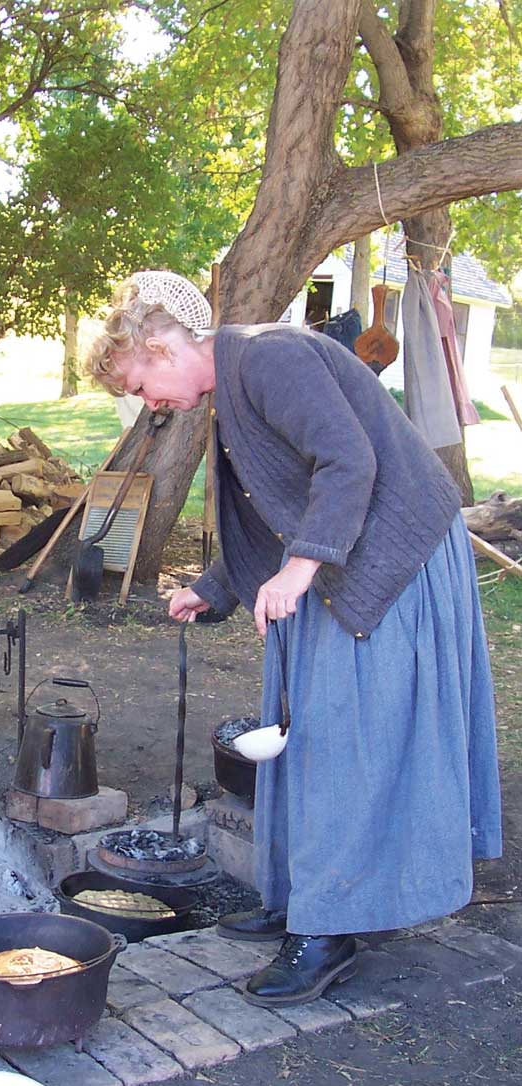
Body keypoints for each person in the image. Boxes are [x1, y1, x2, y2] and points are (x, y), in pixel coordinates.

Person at [84, 270, 502, 1007]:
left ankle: (328, 935)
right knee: (307, 735)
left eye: (141, 386)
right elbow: (279, 497)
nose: (147, 405)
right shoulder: (233, 381)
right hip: (345, 555)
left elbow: (349, 463)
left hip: (391, 558)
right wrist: (213, 587)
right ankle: (305, 901)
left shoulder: (270, 356)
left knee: (346, 738)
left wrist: (301, 567)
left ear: (160, 345)